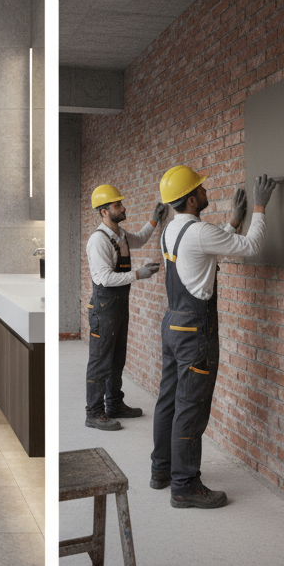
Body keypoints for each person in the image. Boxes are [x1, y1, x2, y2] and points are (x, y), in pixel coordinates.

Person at [152, 165, 280, 509]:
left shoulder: (171, 230)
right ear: (192, 199)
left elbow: (204, 250)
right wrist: (259, 206)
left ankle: (161, 471)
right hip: (195, 330)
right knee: (190, 408)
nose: (207, 192)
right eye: (202, 189)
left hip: (172, 324)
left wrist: (232, 222)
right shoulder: (200, 231)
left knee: (168, 400)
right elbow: (251, 246)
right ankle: (184, 485)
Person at [84, 184, 165, 431]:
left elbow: (139, 239)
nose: (123, 207)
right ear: (104, 212)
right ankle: (94, 413)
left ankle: (115, 404)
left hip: (119, 304)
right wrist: (137, 275)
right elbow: (104, 279)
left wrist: (154, 220)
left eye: (121, 203)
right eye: (117, 205)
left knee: (117, 358)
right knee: (100, 360)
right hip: (104, 306)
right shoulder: (98, 240)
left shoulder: (119, 234)